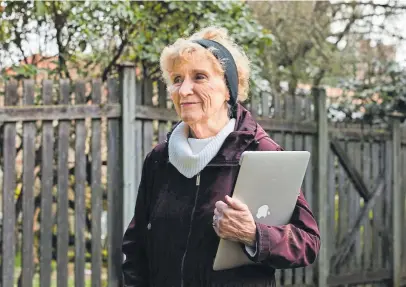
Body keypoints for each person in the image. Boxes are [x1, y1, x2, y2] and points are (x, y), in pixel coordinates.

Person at [122, 26, 320, 287]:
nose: (183, 91)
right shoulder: (160, 159)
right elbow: (136, 247)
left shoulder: (261, 153)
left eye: (199, 77)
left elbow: (308, 242)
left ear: (228, 88)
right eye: (178, 79)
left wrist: (254, 235)